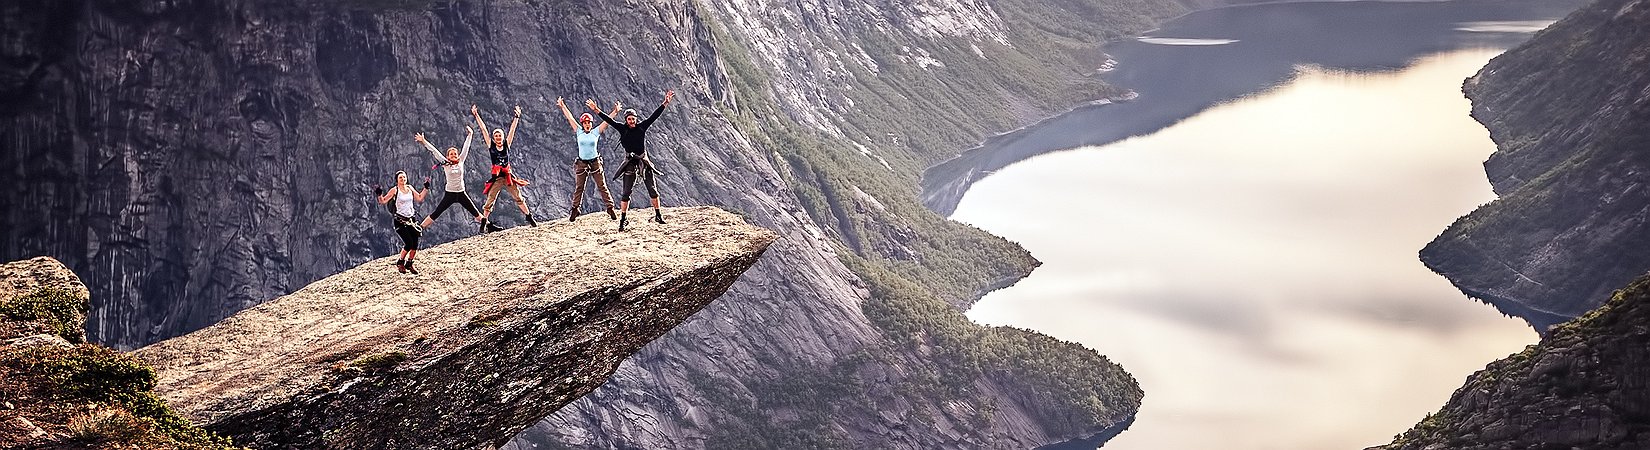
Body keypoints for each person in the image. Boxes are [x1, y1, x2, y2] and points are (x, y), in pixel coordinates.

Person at [585, 89, 673, 231]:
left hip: (643, 160)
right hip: (629, 161)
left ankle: (658, 215)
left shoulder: (642, 127)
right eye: (629, 119)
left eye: (633, 119)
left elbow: (654, 116)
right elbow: (609, 120)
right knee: (626, 192)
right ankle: (623, 220)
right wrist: (596, 110)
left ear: (636, 119)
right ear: (626, 120)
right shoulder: (622, 129)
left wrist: (665, 103)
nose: (631, 121)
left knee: (652, 189)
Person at [556, 96, 622, 222]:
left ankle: (610, 207)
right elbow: (570, 117)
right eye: (585, 123)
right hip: (582, 163)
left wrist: (615, 111)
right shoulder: (578, 131)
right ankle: (575, 209)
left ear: (591, 124)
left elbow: (607, 121)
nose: (587, 124)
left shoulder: (596, 132)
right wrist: (563, 106)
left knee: (602, 185)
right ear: (582, 124)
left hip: (595, 162)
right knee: (579, 187)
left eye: (589, 123)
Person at [473, 104, 537, 228]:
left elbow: (512, 130)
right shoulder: (491, 146)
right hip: (497, 177)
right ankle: (484, 222)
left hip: (507, 176)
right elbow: (483, 130)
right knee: (491, 199)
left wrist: (517, 117)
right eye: (496, 136)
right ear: (494, 138)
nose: (498, 137)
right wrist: (476, 116)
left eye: (500, 135)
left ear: (502, 137)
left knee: (518, 196)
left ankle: (529, 217)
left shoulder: (506, 145)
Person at [415, 127, 487, 231]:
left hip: (461, 192)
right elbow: (434, 151)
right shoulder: (445, 164)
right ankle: (420, 228)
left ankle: (488, 226)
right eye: (451, 154)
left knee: (475, 212)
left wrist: (470, 135)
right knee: (437, 212)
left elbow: (466, 147)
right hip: (450, 193)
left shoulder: (461, 161)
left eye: (455, 154)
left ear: (458, 155)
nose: (454, 155)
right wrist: (424, 141)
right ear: (447, 157)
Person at [375, 171, 430, 274]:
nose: (403, 179)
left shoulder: (410, 188)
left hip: (411, 220)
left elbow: (419, 198)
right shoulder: (394, 190)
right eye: (400, 178)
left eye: (404, 177)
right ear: (397, 180)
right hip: (400, 221)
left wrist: (426, 188)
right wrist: (379, 194)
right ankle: (400, 262)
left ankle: (409, 263)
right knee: (408, 243)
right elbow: (383, 201)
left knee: (415, 245)